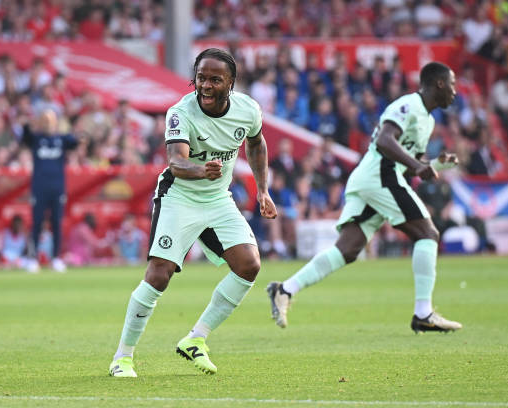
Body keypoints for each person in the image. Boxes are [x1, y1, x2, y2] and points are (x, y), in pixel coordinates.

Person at [109, 48, 277, 378]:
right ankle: (122, 358)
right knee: (159, 274)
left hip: (217, 200)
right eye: (201, 78)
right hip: (179, 197)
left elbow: (256, 143)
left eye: (215, 79)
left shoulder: (248, 110)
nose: (206, 86)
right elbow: (176, 162)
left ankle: (196, 338)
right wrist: (202, 170)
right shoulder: (180, 112)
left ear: (231, 83)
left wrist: (263, 190)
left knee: (249, 265)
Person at [267, 62, 463, 334]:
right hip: (380, 175)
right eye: (452, 84)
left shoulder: (428, 121)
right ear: (439, 83)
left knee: (347, 250)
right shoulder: (408, 105)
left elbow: (411, 164)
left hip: (374, 178)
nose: (455, 91)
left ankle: (285, 289)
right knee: (427, 234)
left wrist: (434, 165)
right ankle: (423, 313)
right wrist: (418, 166)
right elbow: (384, 140)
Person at [22, 109, 78, 273]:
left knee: (56, 223)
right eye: (45, 121)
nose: (47, 124)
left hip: (57, 188)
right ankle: (32, 258)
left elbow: (75, 142)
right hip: (39, 188)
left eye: (50, 121)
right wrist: (26, 125)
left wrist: (72, 129)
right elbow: (25, 137)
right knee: (37, 223)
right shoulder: (36, 139)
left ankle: (56, 258)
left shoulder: (61, 139)